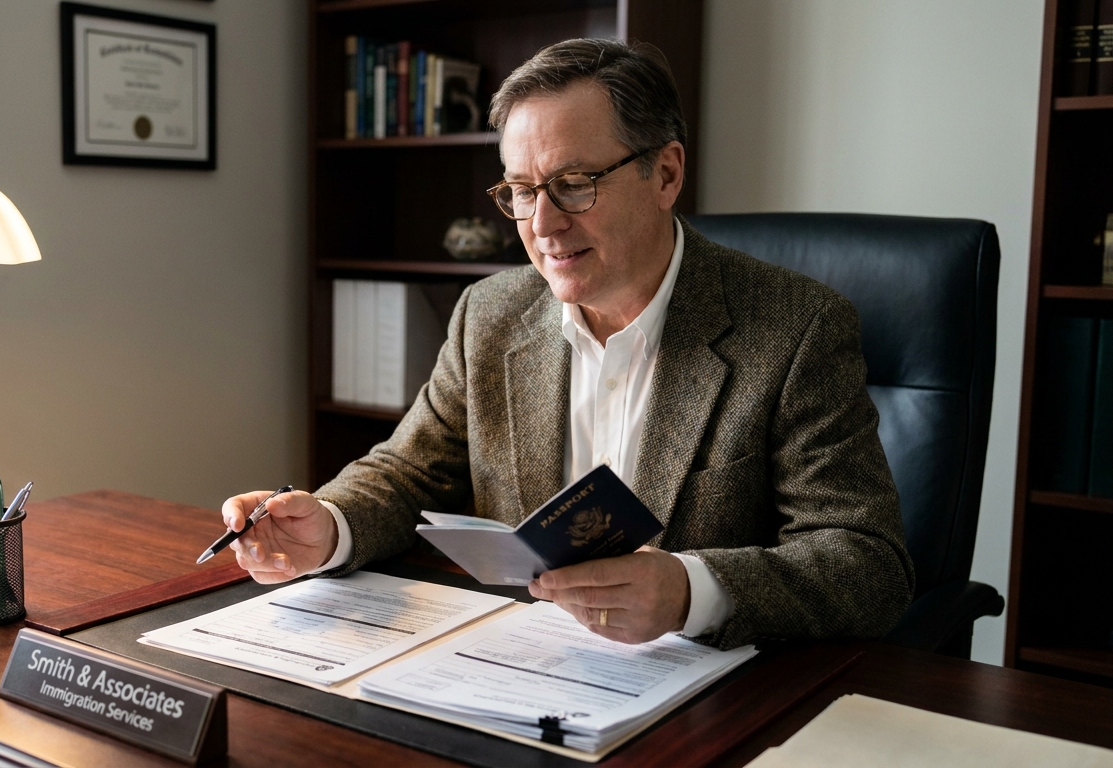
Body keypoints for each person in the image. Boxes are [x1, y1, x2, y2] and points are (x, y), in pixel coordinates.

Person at [221, 38, 914, 650]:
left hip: (705, 688)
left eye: (574, 185)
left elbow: (867, 562)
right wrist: (331, 523)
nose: (542, 225)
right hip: (522, 665)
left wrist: (692, 589)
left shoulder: (796, 326)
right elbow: (407, 473)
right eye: (521, 192)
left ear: (667, 173)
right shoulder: (489, 312)